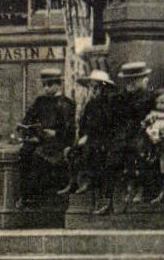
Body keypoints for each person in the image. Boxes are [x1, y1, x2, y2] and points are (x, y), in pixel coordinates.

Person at [15, 66, 76, 209]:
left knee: (38, 156)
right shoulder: (40, 101)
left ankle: (37, 198)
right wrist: (26, 130)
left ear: (58, 84)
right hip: (38, 140)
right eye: (44, 85)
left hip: (57, 143)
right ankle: (25, 196)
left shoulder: (66, 103)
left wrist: (55, 133)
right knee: (24, 153)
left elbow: (69, 130)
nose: (46, 89)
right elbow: (28, 119)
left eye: (49, 85)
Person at [66, 70, 120, 213]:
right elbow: (84, 125)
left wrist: (90, 135)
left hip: (107, 139)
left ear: (104, 88)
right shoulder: (90, 105)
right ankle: (76, 182)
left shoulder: (110, 104)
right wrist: (84, 135)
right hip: (92, 139)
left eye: (96, 87)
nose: (93, 90)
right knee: (72, 151)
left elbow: (110, 125)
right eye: (91, 87)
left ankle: (104, 199)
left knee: (100, 155)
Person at [113, 60, 154, 204]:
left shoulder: (147, 96)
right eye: (127, 81)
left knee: (139, 149)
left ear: (143, 80)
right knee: (120, 148)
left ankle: (141, 188)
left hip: (144, 131)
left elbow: (147, 115)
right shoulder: (121, 97)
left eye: (134, 80)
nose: (130, 84)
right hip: (127, 131)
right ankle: (130, 185)